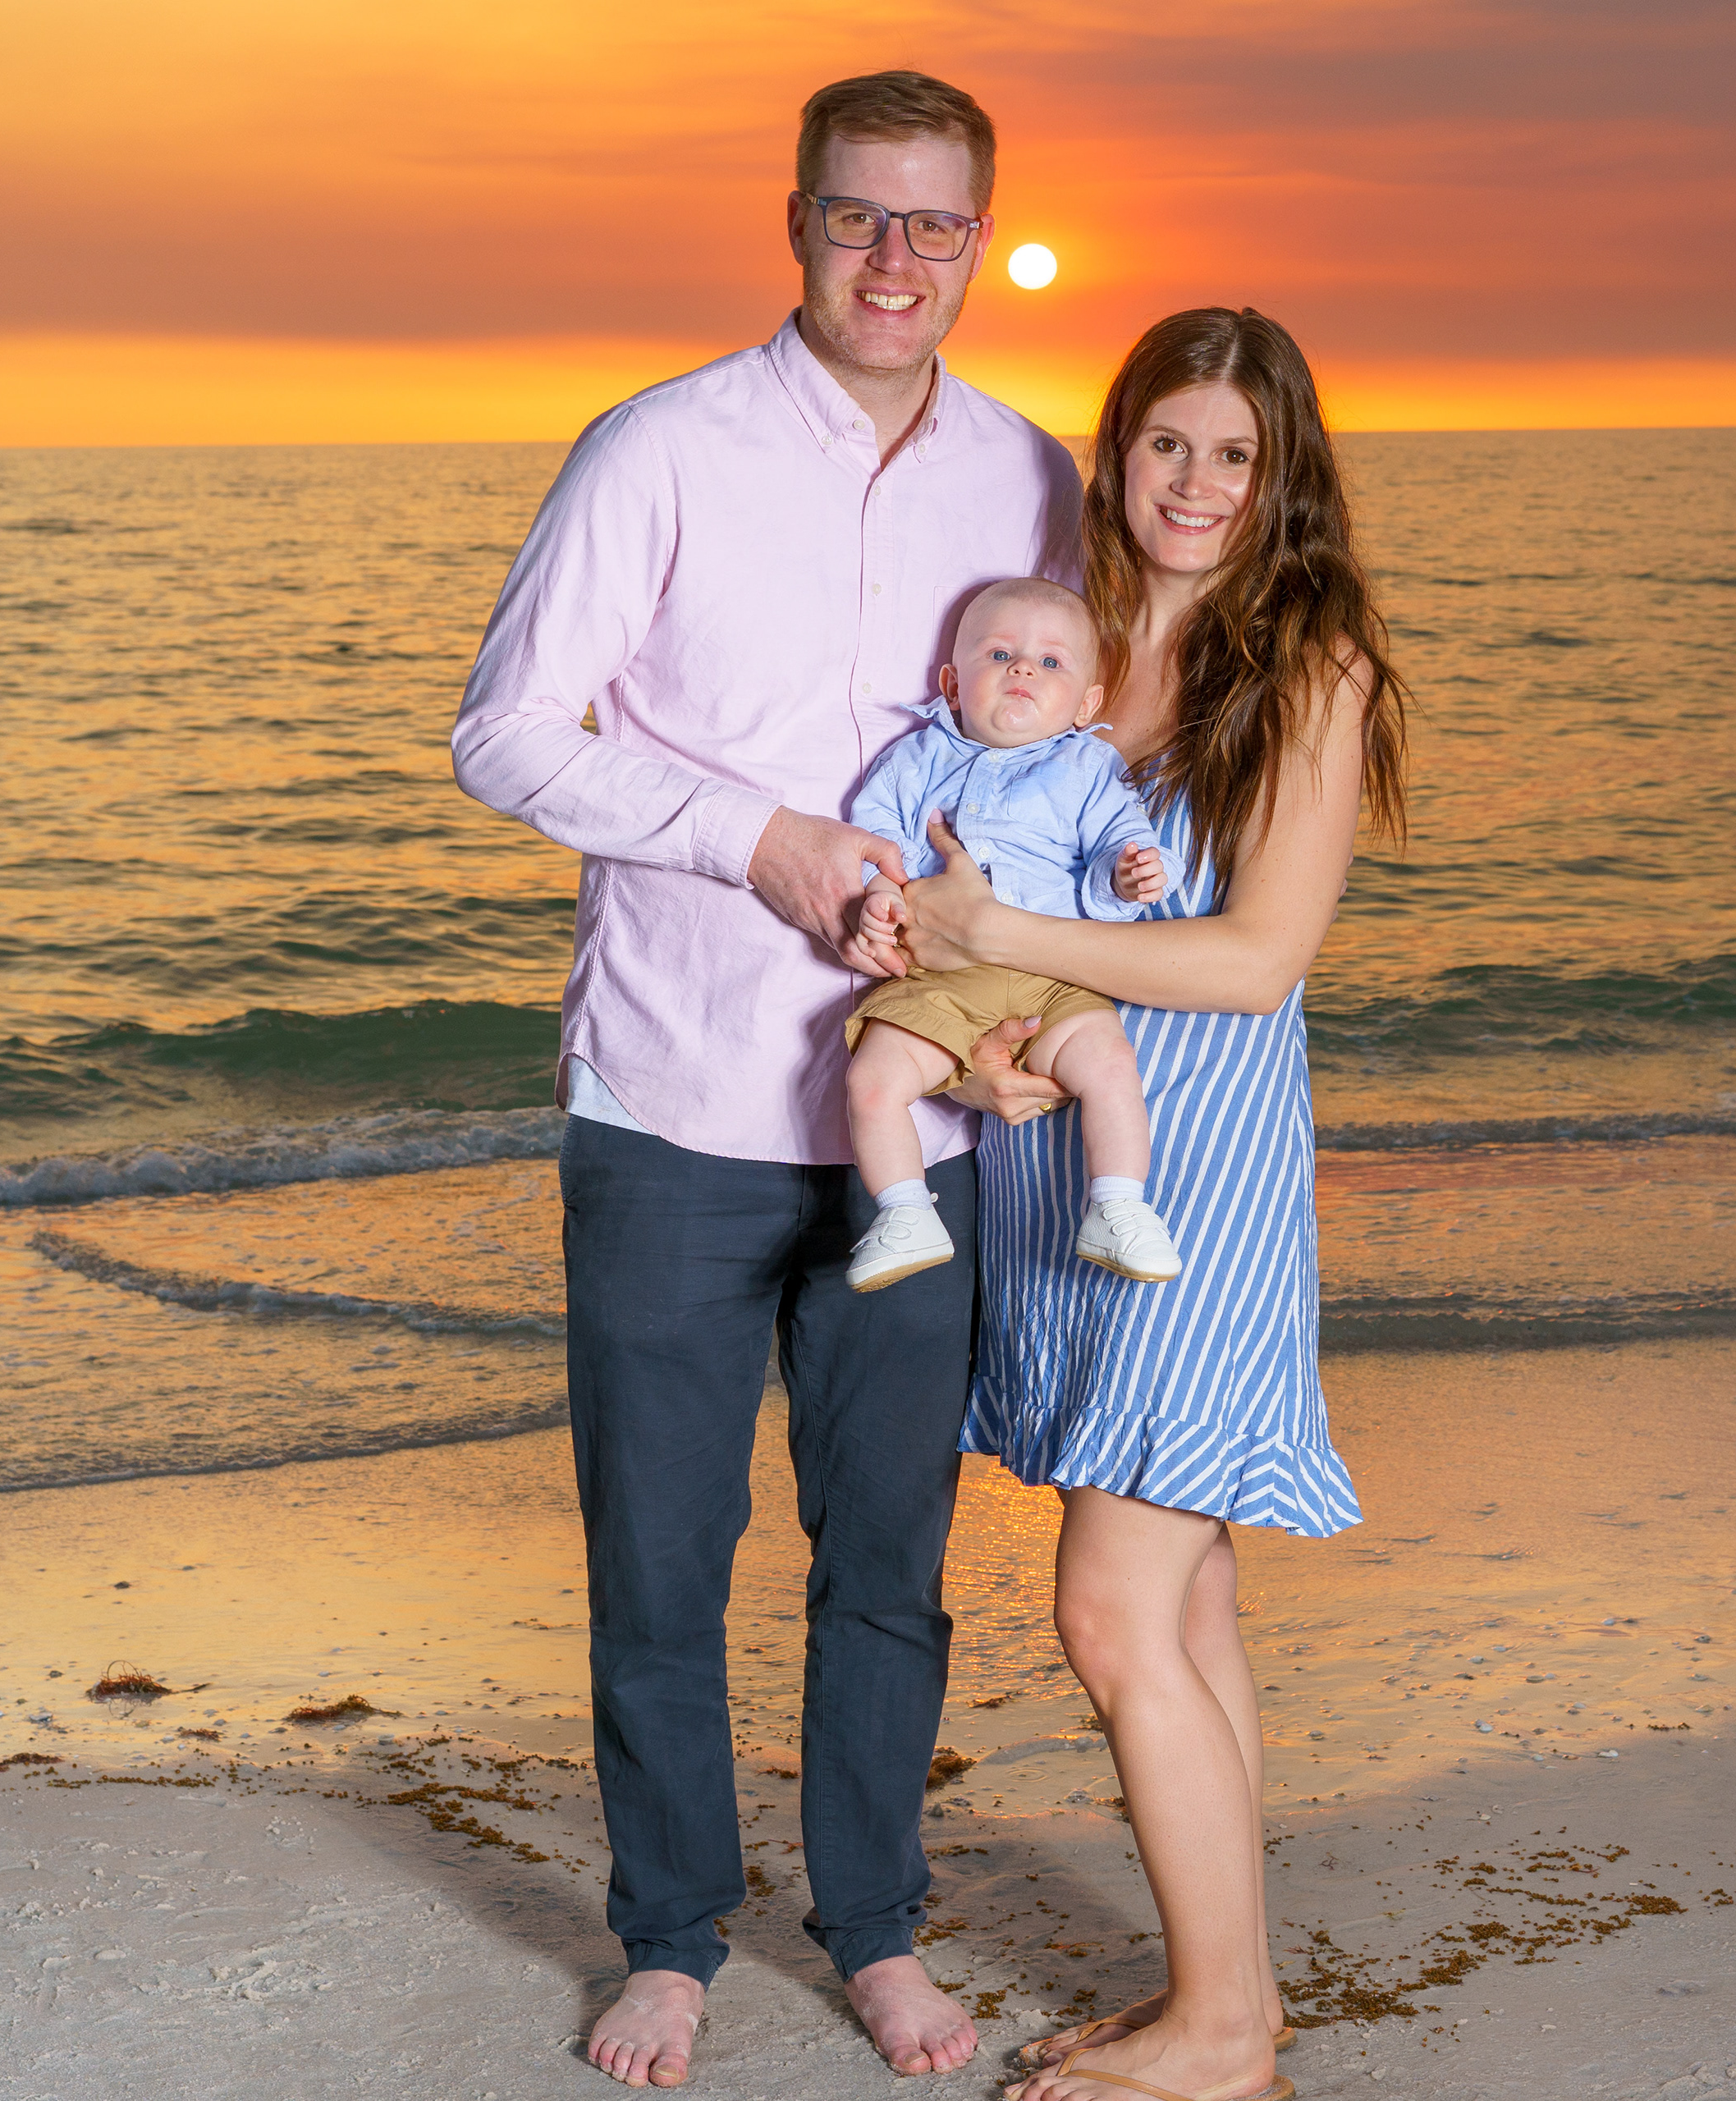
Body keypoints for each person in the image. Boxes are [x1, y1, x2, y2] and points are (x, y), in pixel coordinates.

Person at [449, 71, 1079, 2091]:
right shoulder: (659, 450)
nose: (895, 261)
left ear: (981, 239)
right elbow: (508, 733)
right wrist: (763, 842)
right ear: (793, 223)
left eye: (934, 226)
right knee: (658, 1550)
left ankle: (876, 1925)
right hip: (674, 1103)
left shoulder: (1037, 480)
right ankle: (667, 1936)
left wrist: (1030, 958)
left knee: (888, 1552)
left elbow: (1079, 770)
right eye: (856, 219)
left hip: (936, 1123)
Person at [897, 307, 1408, 2101]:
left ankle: (1216, 2032)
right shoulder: (1071, 643)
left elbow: (1259, 956)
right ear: (1118, 452)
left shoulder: (1314, 659)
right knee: (1185, 1613)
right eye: (1167, 444)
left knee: (1113, 1614)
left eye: (1235, 456)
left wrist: (1007, 941)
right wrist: (972, 1054)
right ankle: (1231, 2007)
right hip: (1056, 1162)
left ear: (1285, 481)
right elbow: (980, 889)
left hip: (1195, 1178)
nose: (1195, 484)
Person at [839, 576, 1182, 1294]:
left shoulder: (1086, 767)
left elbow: (1119, 840)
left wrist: (1129, 875)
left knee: (1112, 1068)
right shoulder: (917, 759)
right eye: (1000, 654)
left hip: (1052, 978)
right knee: (872, 1080)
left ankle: (1118, 1203)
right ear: (952, 685)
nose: (1024, 669)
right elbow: (875, 840)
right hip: (941, 982)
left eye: (1051, 663)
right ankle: (904, 1211)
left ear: (1087, 703)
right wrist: (876, 892)